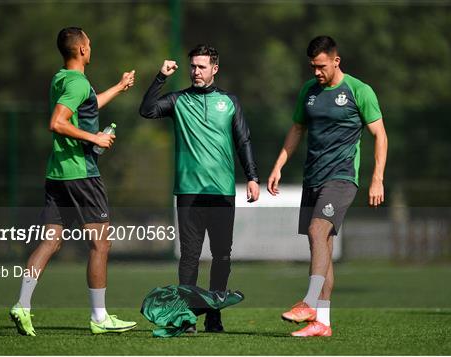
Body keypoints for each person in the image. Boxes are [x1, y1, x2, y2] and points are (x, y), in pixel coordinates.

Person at [9, 27, 137, 336]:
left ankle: (22, 304)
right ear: (81, 50)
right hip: (81, 174)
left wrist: (119, 87)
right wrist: (95, 137)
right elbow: (57, 122)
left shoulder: (62, 79)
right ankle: (100, 317)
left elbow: (86, 105)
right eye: (89, 44)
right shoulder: (77, 83)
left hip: (57, 173)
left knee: (51, 241)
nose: (91, 48)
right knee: (100, 243)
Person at [267, 36, 388, 337]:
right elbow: (297, 128)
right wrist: (279, 165)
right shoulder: (309, 92)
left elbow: (380, 136)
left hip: (342, 177)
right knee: (322, 246)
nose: (317, 73)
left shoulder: (359, 91)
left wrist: (377, 178)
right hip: (313, 178)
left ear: (336, 61)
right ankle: (323, 322)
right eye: (312, 67)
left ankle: (308, 302)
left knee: (317, 231)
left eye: (321, 66)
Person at [139, 44, 260, 332]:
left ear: (214, 69)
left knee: (222, 256)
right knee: (190, 257)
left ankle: (215, 315)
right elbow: (146, 110)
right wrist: (160, 77)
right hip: (189, 192)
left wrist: (253, 177)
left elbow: (243, 141)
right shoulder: (178, 101)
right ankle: (186, 316)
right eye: (193, 66)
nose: (196, 71)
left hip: (221, 191)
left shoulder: (229, 102)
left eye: (202, 66)